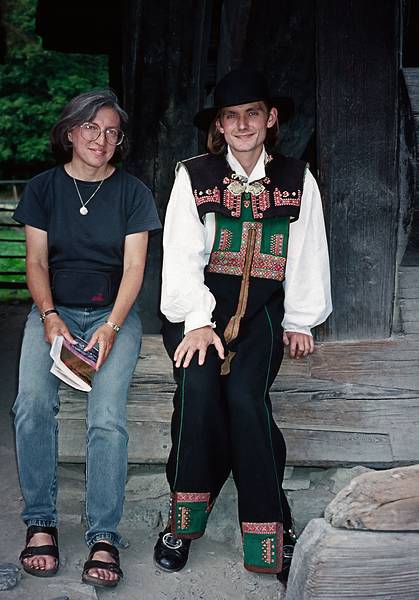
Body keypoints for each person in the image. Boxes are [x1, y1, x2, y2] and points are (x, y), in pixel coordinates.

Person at [153, 68, 332, 582]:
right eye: (232, 116)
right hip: (198, 310)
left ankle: (270, 525)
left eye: (253, 113)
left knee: (245, 399)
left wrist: (300, 318)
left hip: (263, 314)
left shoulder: (297, 179)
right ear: (219, 126)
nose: (243, 124)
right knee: (198, 386)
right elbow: (182, 254)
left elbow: (306, 252)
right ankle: (183, 521)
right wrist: (196, 321)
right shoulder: (196, 175)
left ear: (270, 118)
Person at [12, 89, 161, 588]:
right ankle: (41, 523)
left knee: (107, 417)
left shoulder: (133, 193)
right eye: (92, 128)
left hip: (111, 315)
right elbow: (35, 262)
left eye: (112, 132)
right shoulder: (43, 188)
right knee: (31, 404)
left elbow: (135, 268)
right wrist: (49, 316)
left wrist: (112, 325)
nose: (102, 139)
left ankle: (103, 536)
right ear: (71, 131)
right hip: (52, 312)